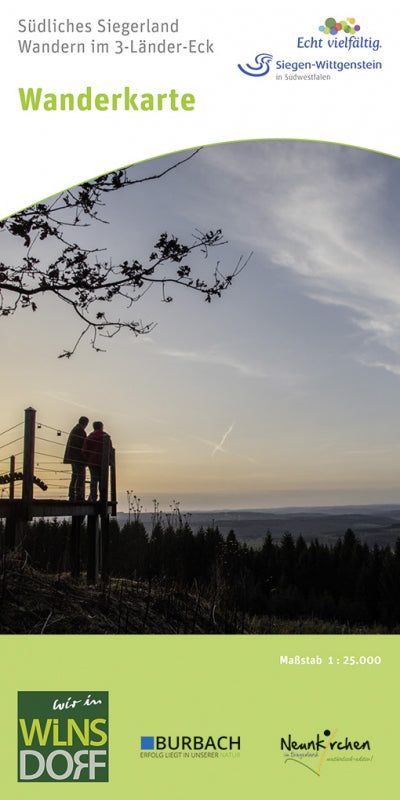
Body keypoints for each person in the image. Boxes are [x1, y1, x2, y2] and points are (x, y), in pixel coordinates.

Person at [82, 421, 113, 502]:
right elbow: (110, 450)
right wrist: (109, 460)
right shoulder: (105, 437)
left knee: (93, 479)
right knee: (102, 481)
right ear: (101, 427)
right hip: (103, 462)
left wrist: (87, 459)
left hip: (92, 462)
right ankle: (102, 498)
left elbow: (84, 450)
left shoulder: (89, 437)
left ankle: (93, 497)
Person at [63, 416, 89, 501]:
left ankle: (72, 493)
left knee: (75, 475)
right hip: (78, 458)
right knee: (80, 476)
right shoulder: (80, 431)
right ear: (85, 423)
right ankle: (78, 494)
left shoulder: (75, 429)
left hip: (73, 457)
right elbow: (83, 445)